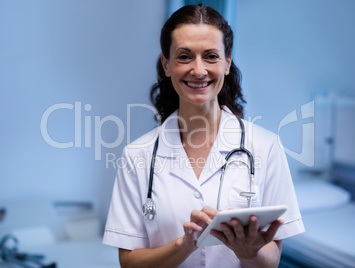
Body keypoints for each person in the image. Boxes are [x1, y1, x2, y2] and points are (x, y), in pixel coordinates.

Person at [103, 4, 305, 268]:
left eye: (210, 56)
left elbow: (271, 261)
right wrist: (185, 244)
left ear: (227, 63)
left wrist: (249, 252)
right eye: (184, 56)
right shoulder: (137, 155)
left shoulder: (265, 147)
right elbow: (129, 262)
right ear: (166, 64)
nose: (198, 70)